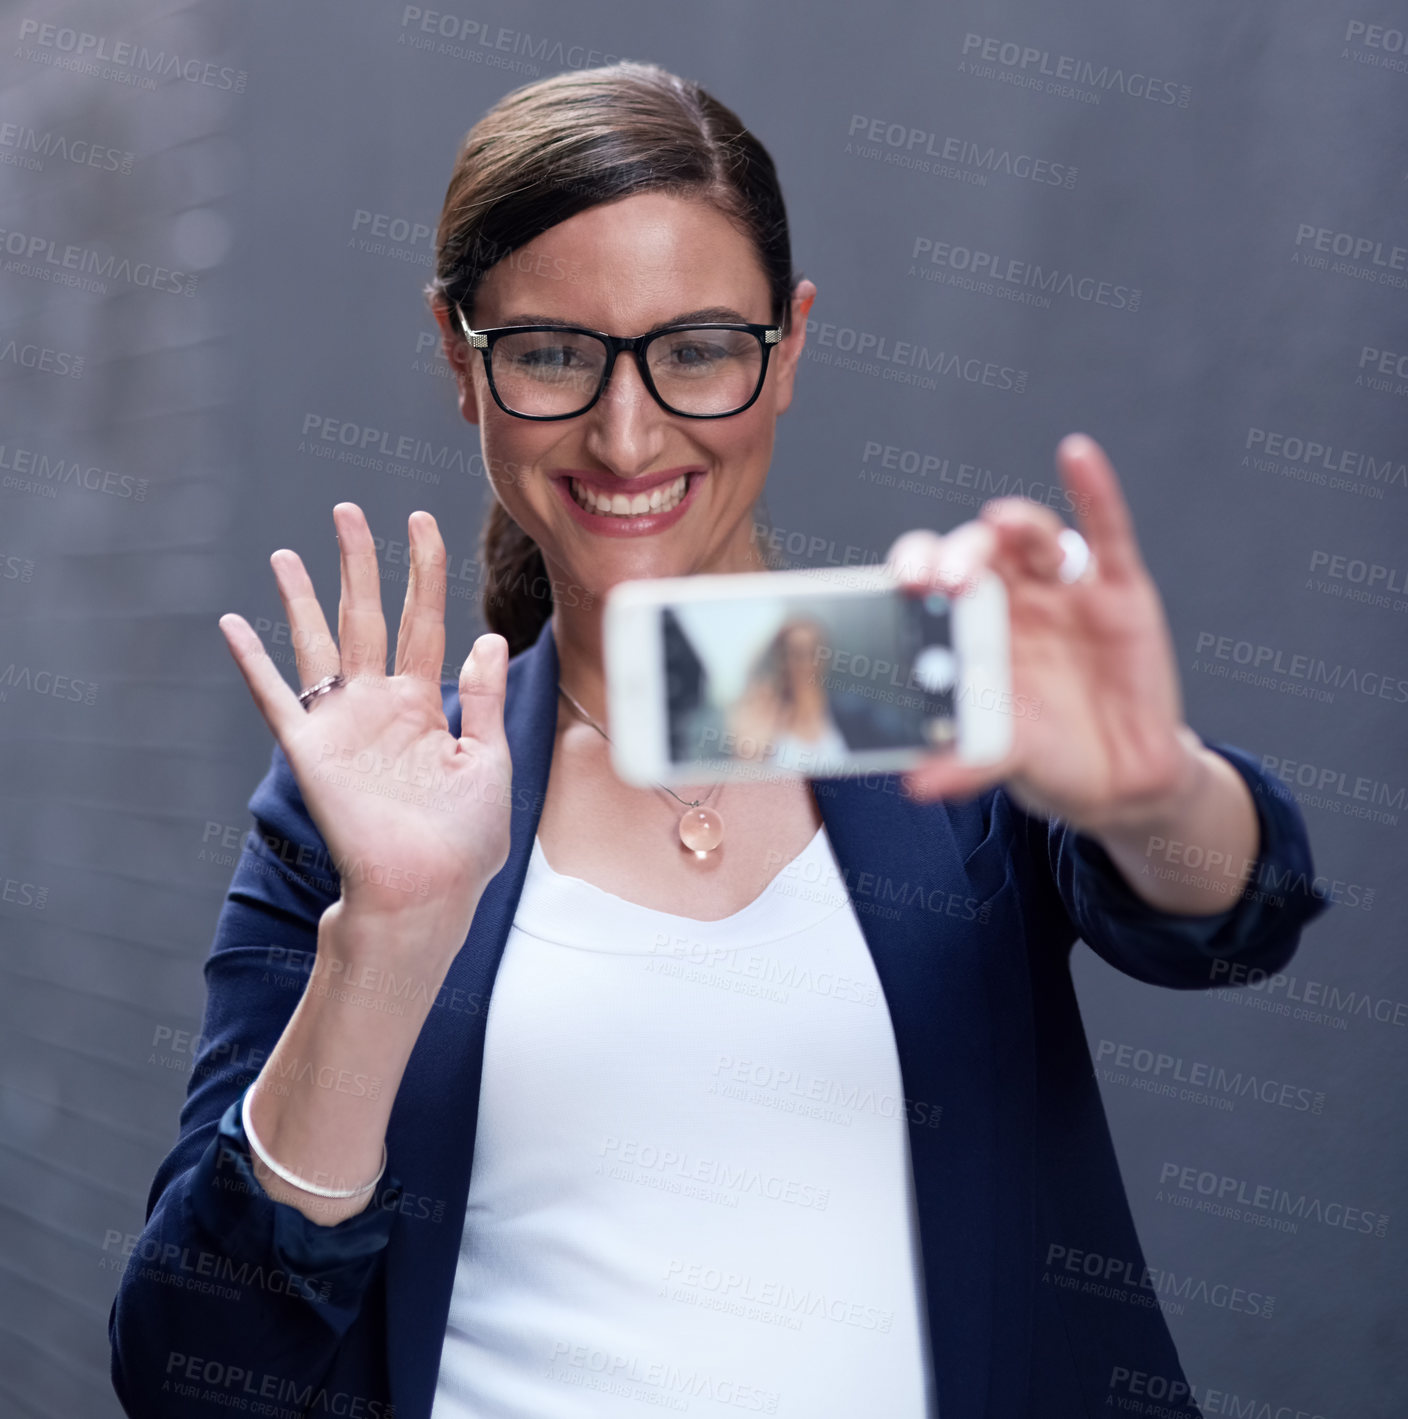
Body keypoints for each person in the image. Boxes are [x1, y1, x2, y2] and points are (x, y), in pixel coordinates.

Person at [108, 61, 1327, 1419]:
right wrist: (388, 940)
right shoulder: (388, 795)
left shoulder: (908, 685)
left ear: (788, 346)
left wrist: (1154, 787)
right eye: (553, 354)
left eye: (695, 350)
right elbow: (192, 1377)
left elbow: (1236, 919)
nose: (628, 436)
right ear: (463, 362)